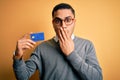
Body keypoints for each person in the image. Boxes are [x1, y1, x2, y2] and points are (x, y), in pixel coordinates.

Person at [13, 3, 103, 80]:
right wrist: (18, 57)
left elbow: (97, 78)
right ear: (53, 23)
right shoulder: (42, 48)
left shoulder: (87, 45)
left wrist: (71, 54)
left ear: (74, 22)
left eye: (68, 20)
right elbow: (22, 77)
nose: (63, 25)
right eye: (58, 21)